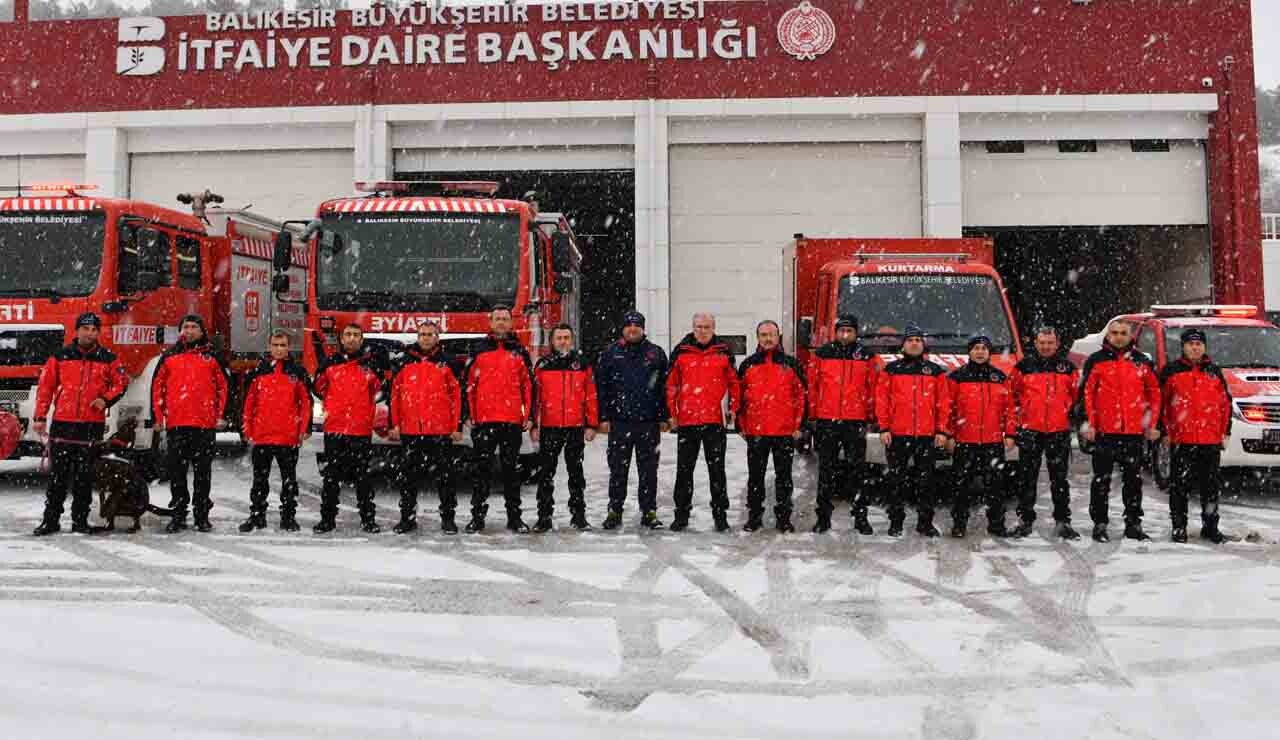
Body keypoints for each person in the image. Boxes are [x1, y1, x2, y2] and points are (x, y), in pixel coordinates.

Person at [31, 312, 128, 536]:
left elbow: (121, 383)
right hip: (62, 424)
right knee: (58, 478)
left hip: (90, 425)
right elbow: (45, 387)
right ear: (77, 331)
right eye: (86, 329)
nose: (90, 333)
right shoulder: (60, 356)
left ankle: (80, 522)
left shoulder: (108, 358)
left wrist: (105, 399)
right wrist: (39, 417)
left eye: (94, 329)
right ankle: (51, 521)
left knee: (84, 479)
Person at [1081, 320, 1162, 542]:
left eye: (1123, 333)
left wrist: (1153, 424)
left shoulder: (1142, 361)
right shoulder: (1096, 360)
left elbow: (1155, 393)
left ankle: (1133, 523)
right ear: (1108, 335)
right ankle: (1099, 523)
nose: (1118, 337)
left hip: (1133, 433)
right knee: (1101, 481)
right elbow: (1086, 394)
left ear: (1130, 335)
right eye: (1114, 333)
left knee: (1133, 481)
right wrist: (1090, 424)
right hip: (1105, 433)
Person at [151, 314, 229, 533]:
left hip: (204, 424)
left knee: (202, 472)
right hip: (177, 423)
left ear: (202, 331)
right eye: (186, 327)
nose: (190, 330)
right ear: (180, 331)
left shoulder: (212, 357)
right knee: (177, 472)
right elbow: (157, 389)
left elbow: (223, 388)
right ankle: (178, 514)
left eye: (194, 327)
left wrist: (220, 415)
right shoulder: (169, 356)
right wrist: (158, 418)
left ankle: (201, 514)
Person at [666, 312, 740, 532]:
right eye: (698, 327)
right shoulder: (681, 351)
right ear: (692, 327)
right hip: (687, 421)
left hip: (714, 421)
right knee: (684, 471)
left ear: (714, 328)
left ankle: (720, 515)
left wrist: (733, 409)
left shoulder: (724, 352)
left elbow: (735, 384)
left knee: (717, 471)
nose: (702, 331)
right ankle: (681, 515)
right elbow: (671, 386)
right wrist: (673, 413)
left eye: (706, 327)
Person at [595, 310, 669, 530]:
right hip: (620, 422)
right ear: (623, 329)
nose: (632, 328)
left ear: (643, 328)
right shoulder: (610, 353)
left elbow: (664, 387)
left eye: (636, 325)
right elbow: (602, 388)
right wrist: (603, 417)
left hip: (648, 422)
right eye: (628, 325)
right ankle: (614, 511)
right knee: (618, 469)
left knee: (648, 470)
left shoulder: (655, 354)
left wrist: (664, 416)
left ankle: (649, 511)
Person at [875, 324, 951, 537]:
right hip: (898, 435)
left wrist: (941, 431)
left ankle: (925, 523)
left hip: (926, 436)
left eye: (918, 340)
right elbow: (882, 401)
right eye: (910, 340)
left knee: (926, 483)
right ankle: (896, 522)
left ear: (923, 345)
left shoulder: (935, 372)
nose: (914, 343)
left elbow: (943, 404)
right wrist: (884, 428)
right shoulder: (891, 370)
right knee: (896, 482)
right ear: (903, 345)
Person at [807, 314, 880, 534]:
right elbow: (813, 386)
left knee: (858, 472)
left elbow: (873, 388)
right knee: (826, 471)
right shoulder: (822, 354)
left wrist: (869, 417)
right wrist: (813, 416)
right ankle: (823, 518)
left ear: (856, 333)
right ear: (835, 332)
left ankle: (860, 517)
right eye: (841, 331)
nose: (845, 335)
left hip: (855, 421)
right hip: (827, 420)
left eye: (849, 331)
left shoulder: (867, 356)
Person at [1159, 328, 1233, 544]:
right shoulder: (1171, 371)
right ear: (1183, 346)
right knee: (1179, 487)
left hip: (1210, 440)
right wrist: (1165, 431)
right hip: (1182, 440)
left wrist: (1225, 432)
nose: (1195, 347)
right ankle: (1179, 527)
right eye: (1191, 344)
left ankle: (1210, 527)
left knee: (1210, 488)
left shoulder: (1214, 371)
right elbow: (1160, 403)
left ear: (1204, 347)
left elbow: (1225, 405)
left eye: (1199, 344)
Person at [389, 321, 463, 534]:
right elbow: (394, 395)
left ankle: (448, 519)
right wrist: (394, 424)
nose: (426, 338)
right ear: (417, 336)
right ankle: (407, 518)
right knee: (408, 479)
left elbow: (457, 397)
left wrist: (456, 425)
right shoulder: (404, 362)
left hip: (440, 431)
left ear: (437, 338)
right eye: (422, 334)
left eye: (430, 334)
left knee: (446, 479)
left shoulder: (448, 363)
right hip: (411, 430)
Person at [465, 306, 534, 533]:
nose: (502, 323)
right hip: (484, 421)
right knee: (481, 473)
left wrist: (528, 416)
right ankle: (478, 518)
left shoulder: (520, 351)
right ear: (491, 322)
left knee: (511, 473)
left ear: (511, 323)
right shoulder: (478, 350)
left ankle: (514, 518)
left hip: (511, 421)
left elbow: (528, 386)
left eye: (505, 319)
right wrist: (471, 416)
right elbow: (469, 387)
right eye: (498, 319)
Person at [312, 323, 387, 534]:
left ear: (361, 339)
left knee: (364, 478)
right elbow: (319, 388)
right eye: (348, 334)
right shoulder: (329, 364)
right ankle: (327, 519)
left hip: (360, 430)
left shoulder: (371, 365)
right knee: (331, 478)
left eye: (356, 335)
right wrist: (335, 407)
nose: (352, 338)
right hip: (334, 429)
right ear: (341, 339)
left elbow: (378, 392)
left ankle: (368, 519)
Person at [1009, 327, 1080, 540]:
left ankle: (1062, 521)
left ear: (1057, 344)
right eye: (1042, 343)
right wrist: (1018, 423)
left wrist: (1068, 416)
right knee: (1027, 478)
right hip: (1030, 430)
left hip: (1058, 430)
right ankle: (1025, 520)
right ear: (1036, 343)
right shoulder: (1024, 366)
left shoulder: (1067, 368)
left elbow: (1076, 397)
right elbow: (1012, 395)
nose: (1046, 346)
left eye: (1050, 343)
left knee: (1059, 479)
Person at [736, 320, 805, 533]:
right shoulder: (747, 365)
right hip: (756, 431)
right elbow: (738, 398)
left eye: (771, 335)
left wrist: (799, 425)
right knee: (755, 477)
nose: (768, 339)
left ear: (778, 337)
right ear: (758, 338)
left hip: (784, 431)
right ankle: (754, 517)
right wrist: (741, 425)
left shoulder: (792, 364)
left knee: (784, 479)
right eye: (763, 335)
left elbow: (802, 396)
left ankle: (784, 518)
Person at [240, 331, 312, 532]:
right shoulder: (260, 371)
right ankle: (257, 516)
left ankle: (288, 517)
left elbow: (305, 403)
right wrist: (247, 426)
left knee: (289, 481)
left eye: (283, 345)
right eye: (275, 345)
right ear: (270, 346)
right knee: (259, 480)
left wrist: (304, 428)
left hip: (287, 437)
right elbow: (249, 402)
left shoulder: (297, 371)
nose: (279, 349)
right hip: (263, 435)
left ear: (288, 347)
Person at [945, 336, 1016, 538]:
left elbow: (1010, 409)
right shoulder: (956, 378)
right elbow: (948, 409)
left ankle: (996, 524)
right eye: (976, 348)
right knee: (961, 487)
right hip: (965, 441)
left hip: (993, 441)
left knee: (996, 486)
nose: (980, 352)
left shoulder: (1000, 377)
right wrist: (949, 434)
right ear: (969, 352)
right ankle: (959, 524)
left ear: (989, 352)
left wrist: (1010, 433)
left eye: (984, 348)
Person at [532, 324, 599, 532]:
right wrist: (534, 423)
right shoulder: (543, 365)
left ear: (572, 340)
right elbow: (535, 399)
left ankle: (578, 516)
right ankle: (544, 517)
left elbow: (591, 396)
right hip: (550, 427)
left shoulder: (583, 365)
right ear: (552, 341)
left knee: (576, 474)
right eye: (559, 337)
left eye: (566, 337)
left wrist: (592, 424)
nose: (563, 341)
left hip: (575, 427)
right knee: (545, 475)